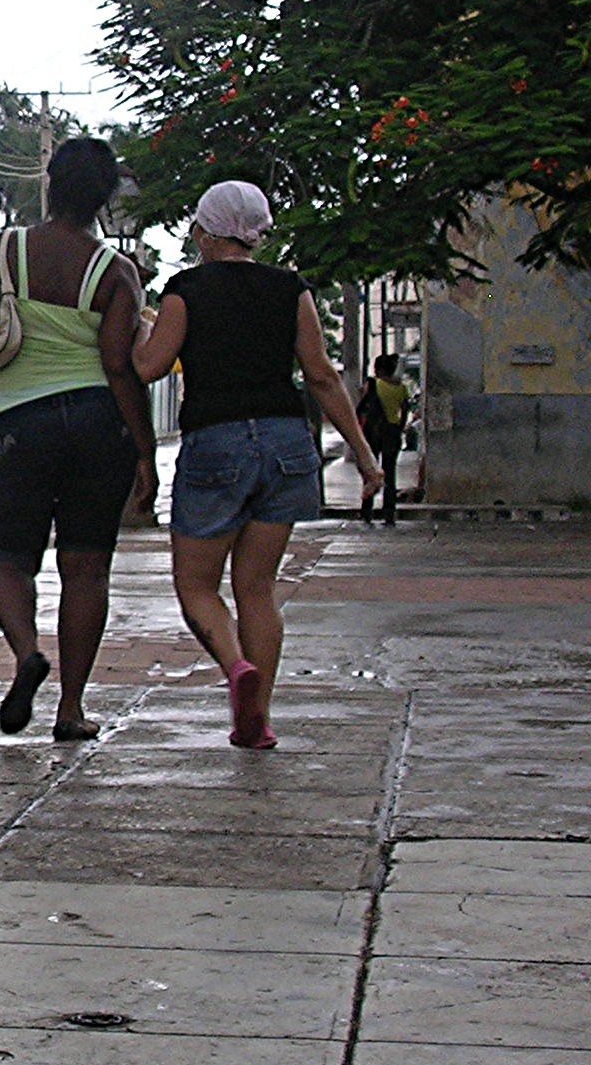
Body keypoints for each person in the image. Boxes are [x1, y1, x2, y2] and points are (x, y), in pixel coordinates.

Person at [133, 180, 384, 749]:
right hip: (285, 442)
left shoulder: (184, 290)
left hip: (216, 442)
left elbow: (148, 366)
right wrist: (364, 456)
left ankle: (234, 667)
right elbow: (320, 375)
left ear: (204, 231)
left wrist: (144, 328)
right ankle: (259, 718)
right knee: (258, 588)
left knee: (196, 585)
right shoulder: (289, 289)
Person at [0, 138, 158, 742]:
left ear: (50, 183)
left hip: (17, 425)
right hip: (96, 424)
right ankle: (71, 710)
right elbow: (118, 365)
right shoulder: (116, 273)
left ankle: (27, 652)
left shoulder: (5, 253)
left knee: (7, 560)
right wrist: (144, 449)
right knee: (86, 569)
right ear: (107, 197)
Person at [357, 353, 410, 525]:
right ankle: (389, 511)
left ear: (378, 369)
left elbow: (362, 408)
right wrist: (399, 428)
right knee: (390, 473)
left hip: (373, 433)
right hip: (392, 432)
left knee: (371, 471)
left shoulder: (373, 384)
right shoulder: (401, 388)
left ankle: (366, 510)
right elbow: (404, 411)